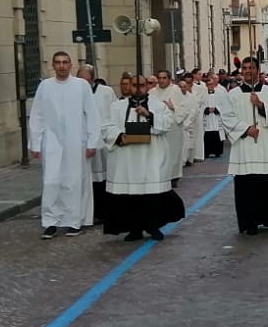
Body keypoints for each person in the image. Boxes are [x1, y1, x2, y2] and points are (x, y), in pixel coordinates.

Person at [100, 75, 185, 241]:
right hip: (127, 159)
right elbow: (106, 126)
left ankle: (153, 226)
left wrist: (149, 115)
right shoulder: (117, 106)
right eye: (134, 85)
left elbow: (168, 124)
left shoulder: (158, 106)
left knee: (152, 195)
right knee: (131, 197)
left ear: (147, 86)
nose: (138, 88)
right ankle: (135, 229)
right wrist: (119, 136)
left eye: (141, 85)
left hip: (151, 157)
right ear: (129, 87)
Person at [221, 56, 268, 235]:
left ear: (257, 70)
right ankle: (250, 222)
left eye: (251, 68)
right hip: (245, 146)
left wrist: (261, 105)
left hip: (267, 143)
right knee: (248, 186)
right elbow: (227, 117)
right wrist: (246, 129)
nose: (247, 71)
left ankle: (267, 216)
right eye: (244, 68)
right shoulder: (233, 94)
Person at [29, 51, 98, 239]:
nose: (61, 66)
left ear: (71, 65)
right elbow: (37, 116)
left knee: (74, 181)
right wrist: (35, 143)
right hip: (51, 141)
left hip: (77, 141)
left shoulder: (81, 86)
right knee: (51, 181)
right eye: (58, 62)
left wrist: (92, 141)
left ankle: (74, 221)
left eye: (65, 62)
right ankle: (51, 222)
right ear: (53, 65)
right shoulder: (45, 86)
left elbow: (91, 114)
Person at [79, 64, 117, 221]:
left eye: (84, 80)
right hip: (83, 142)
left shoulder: (106, 92)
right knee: (86, 180)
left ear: (92, 79)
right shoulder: (76, 94)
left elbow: (113, 114)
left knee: (103, 179)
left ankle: (104, 212)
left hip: (103, 142)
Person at [148, 69, 190, 187]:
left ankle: (173, 177)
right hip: (157, 127)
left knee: (173, 152)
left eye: (164, 78)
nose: (161, 80)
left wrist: (173, 107)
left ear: (169, 79)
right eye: (159, 78)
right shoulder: (152, 92)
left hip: (173, 127)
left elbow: (185, 108)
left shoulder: (176, 90)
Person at [201, 72, 226, 159]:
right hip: (207, 118)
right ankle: (207, 152)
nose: (210, 86)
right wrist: (206, 109)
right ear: (206, 85)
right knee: (207, 134)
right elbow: (200, 105)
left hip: (216, 117)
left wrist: (216, 109)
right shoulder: (202, 94)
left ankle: (218, 152)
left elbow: (224, 104)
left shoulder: (220, 93)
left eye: (211, 84)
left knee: (217, 133)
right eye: (208, 84)